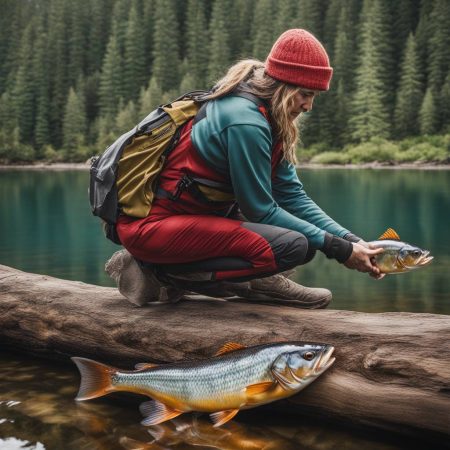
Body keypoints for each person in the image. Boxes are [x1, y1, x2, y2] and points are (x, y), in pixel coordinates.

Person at [106, 29, 384, 308]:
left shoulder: (270, 116)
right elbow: (260, 210)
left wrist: (351, 240)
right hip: (151, 228)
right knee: (293, 246)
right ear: (285, 85)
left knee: (303, 241)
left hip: (190, 220)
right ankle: (160, 272)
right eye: (305, 94)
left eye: (314, 97)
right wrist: (340, 249)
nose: (309, 106)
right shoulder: (245, 122)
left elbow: (291, 195)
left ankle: (253, 279)